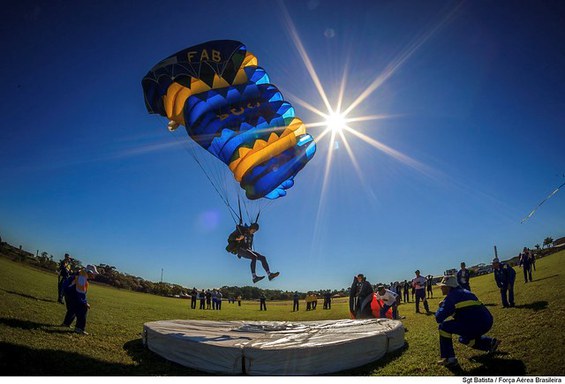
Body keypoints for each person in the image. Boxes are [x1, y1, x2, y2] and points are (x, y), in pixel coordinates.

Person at [435, 275, 500, 367]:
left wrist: (441, 306)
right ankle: (490, 343)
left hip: (475, 324)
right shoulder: (465, 292)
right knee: (464, 339)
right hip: (487, 321)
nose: (441, 288)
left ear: (448, 287)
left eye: (442, 286)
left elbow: (439, 318)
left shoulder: (451, 297)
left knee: (443, 327)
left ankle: (450, 359)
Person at [61, 264, 98, 335]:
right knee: (83, 308)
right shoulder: (82, 277)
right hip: (72, 294)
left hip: (68, 293)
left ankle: (66, 323)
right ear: (89, 272)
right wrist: (84, 302)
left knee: (72, 309)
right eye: (93, 273)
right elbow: (80, 291)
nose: (94, 275)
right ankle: (79, 328)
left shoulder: (81, 275)